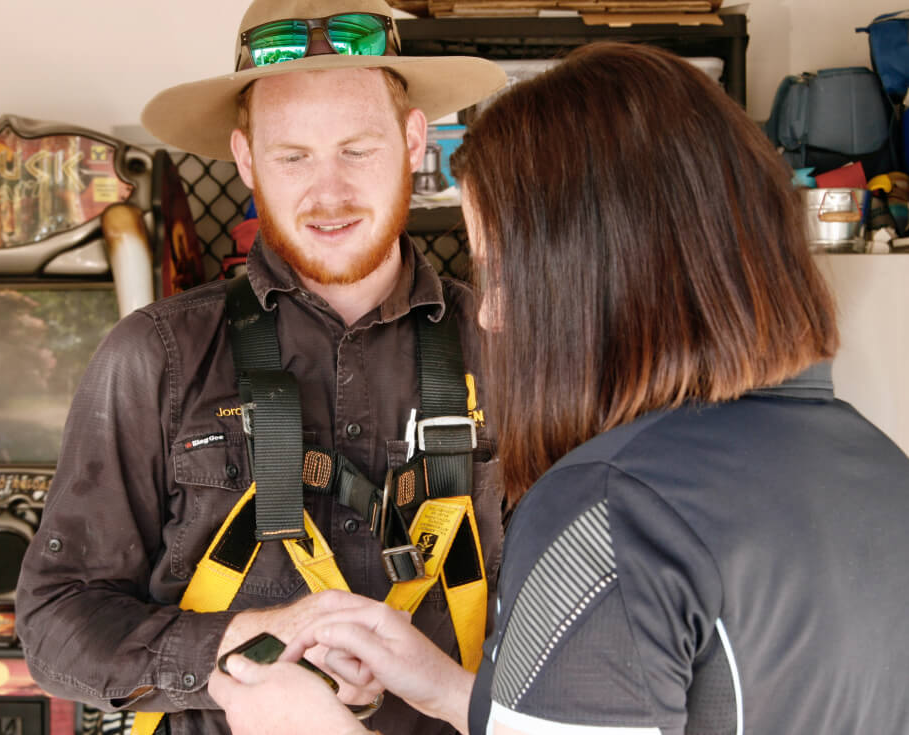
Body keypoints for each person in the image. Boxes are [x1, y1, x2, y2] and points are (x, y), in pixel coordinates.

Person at [207, 42, 909, 734]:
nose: (488, 311)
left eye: (500, 269)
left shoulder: (610, 511)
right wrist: (452, 690)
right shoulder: (878, 470)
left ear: (595, 271)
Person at [14, 2, 508, 734]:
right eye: (293, 156)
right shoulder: (154, 357)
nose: (329, 192)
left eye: (358, 149)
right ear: (246, 159)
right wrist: (244, 645)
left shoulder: (506, 348)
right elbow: (54, 623)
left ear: (412, 141)